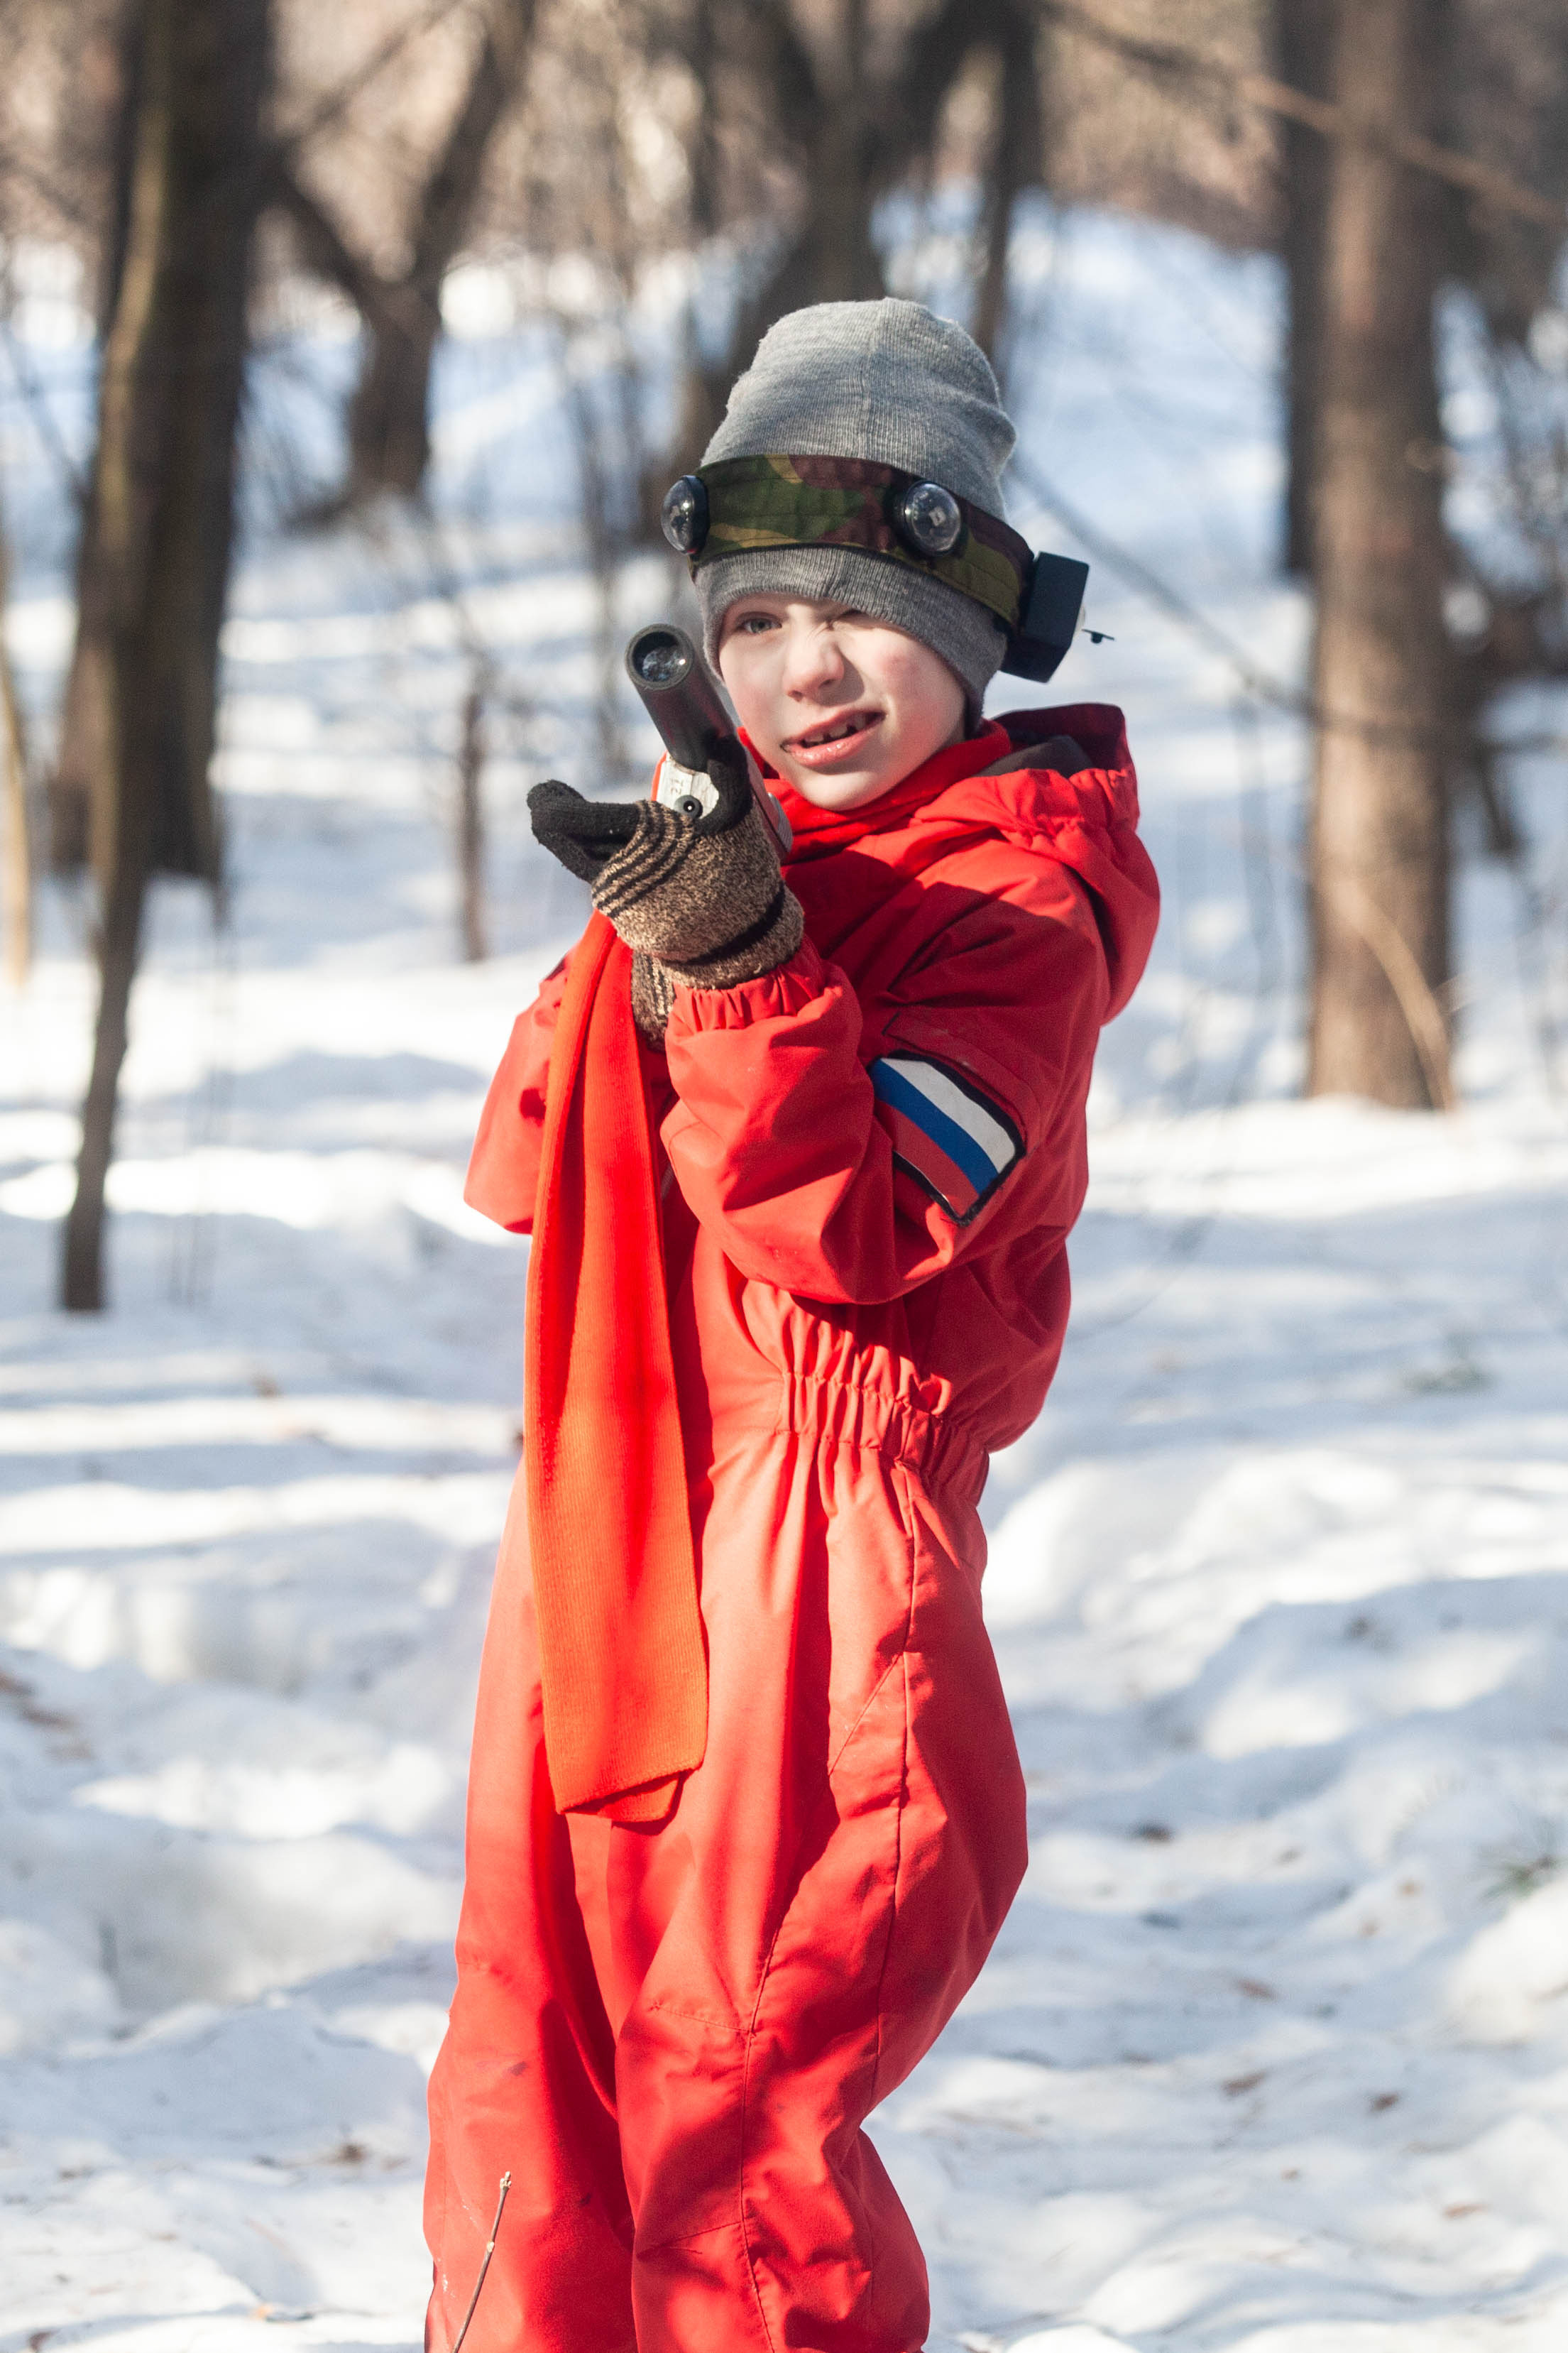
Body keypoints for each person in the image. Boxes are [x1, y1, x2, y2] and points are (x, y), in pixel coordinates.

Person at [422, 297, 1159, 2353]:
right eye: (754, 627)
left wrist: (745, 970)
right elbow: (522, 1168)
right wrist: (651, 945)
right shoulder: (743, 857)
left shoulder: (1015, 906)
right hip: (603, 1529)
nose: (803, 670)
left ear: (978, 621)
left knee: (736, 2108)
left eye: (860, 614)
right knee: (536, 2086)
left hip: (821, 1580)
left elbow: (858, 1225)